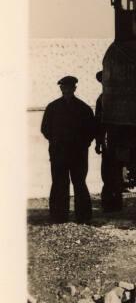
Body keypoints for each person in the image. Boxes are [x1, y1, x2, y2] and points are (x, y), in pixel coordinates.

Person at [40, 76, 97, 223]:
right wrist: (57, 141)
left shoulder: (84, 108)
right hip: (58, 152)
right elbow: (45, 129)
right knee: (59, 183)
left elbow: (92, 130)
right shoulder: (52, 107)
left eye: (70, 87)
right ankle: (59, 217)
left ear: (74, 88)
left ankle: (83, 217)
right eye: (64, 87)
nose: (67, 89)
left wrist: (83, 144)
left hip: (78, 154)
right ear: (61, 88)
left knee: (79, 183)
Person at [95, 71, 124, 212]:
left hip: (119, 140)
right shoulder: (101, 99)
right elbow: (98, 123)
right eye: (103, 82)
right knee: (107, 173)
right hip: (108, 141)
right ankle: (108, 203)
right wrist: (98, 142)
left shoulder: (120, 98)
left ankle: (117, 202)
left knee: (117, 172)